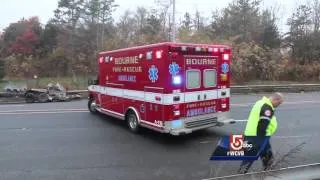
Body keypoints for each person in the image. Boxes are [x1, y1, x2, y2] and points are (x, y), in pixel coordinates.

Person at [237, 92, 284, 174]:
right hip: (258, 136)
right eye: (279, 103)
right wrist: (260, 140)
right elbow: (263, 124)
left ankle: (268, 172)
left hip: (253, 134)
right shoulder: (267, 107)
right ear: (275, 99)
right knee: (250, 156)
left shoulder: (260, 102)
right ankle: (240, 175)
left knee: (268, 156)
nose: (278, 105)